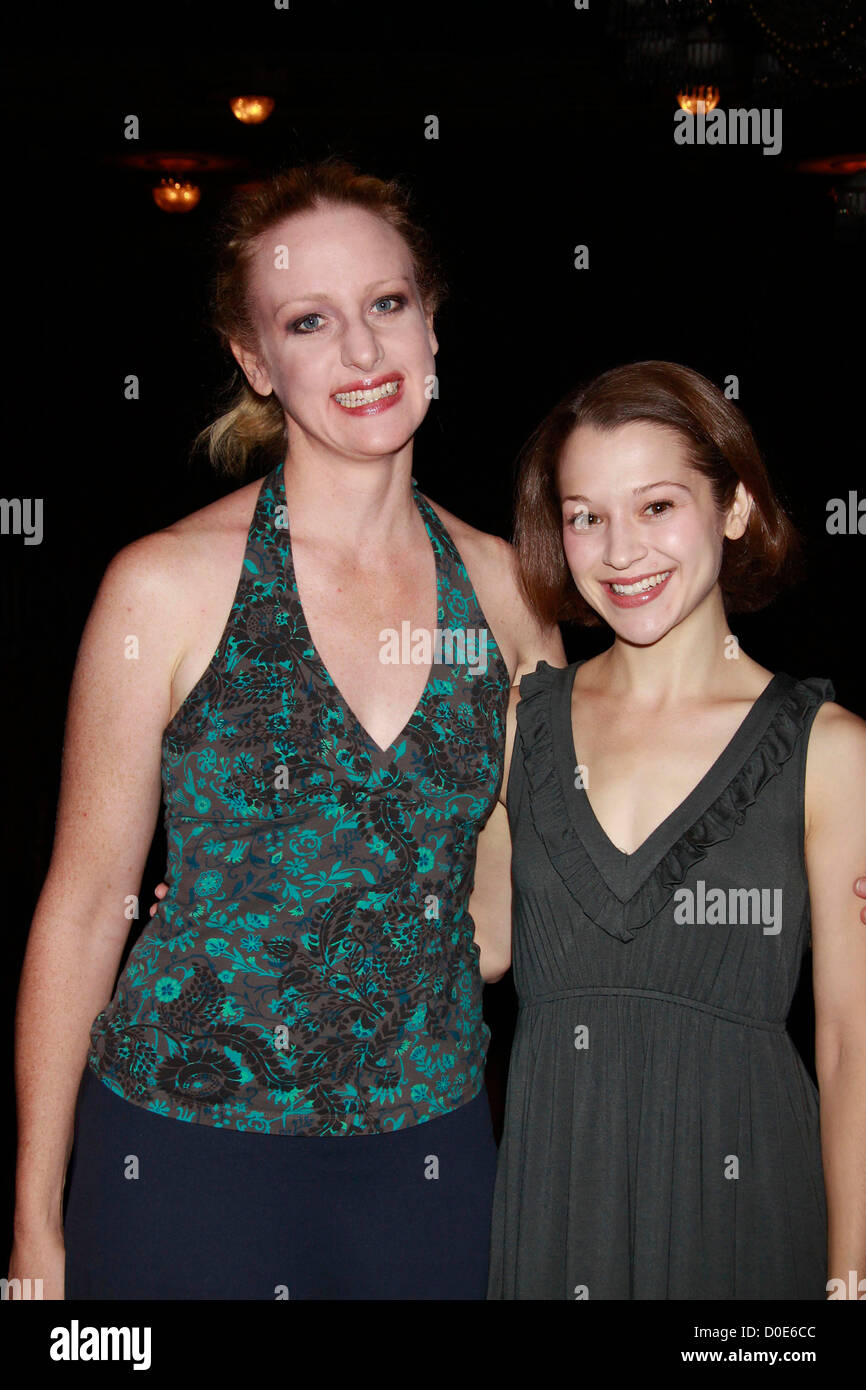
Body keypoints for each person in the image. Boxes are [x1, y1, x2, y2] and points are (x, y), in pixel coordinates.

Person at [9, 160, 564, 1300]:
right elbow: (81, 908)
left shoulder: (510, 596)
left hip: (428, 1158)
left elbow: (528, 901)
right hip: (175, 1154)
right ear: (256, 361)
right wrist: (32, 1221)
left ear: (431, 321)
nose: (361, 354)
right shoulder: (163, 586)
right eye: (309, 321)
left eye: (387, 305)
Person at [486, 361, 866, 1300]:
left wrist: (851, 1273)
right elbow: (473, 941)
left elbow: (853, 1042)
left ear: (734, 507)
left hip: (746, 1210)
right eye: (585, 516)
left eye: (656, 506)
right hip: (554, 1204)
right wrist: (255, 897)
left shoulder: (831, 748)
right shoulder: (517, 724)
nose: (620, 551)